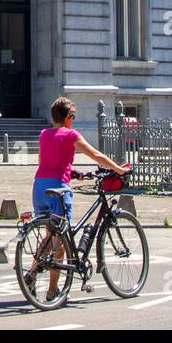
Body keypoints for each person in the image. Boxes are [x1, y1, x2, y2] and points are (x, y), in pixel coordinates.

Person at [31, 96, 126, 301]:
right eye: (72, 116)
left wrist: (72, 172)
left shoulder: (44, 134)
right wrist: (119, 169)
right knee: (61, 241)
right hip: (58, 189)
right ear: (67, 117)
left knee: (49, 235)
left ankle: (31, 273)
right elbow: (96, 155)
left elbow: (46, 162)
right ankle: (52, 290)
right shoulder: (70, 134)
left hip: (39, 187)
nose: (73, 120)